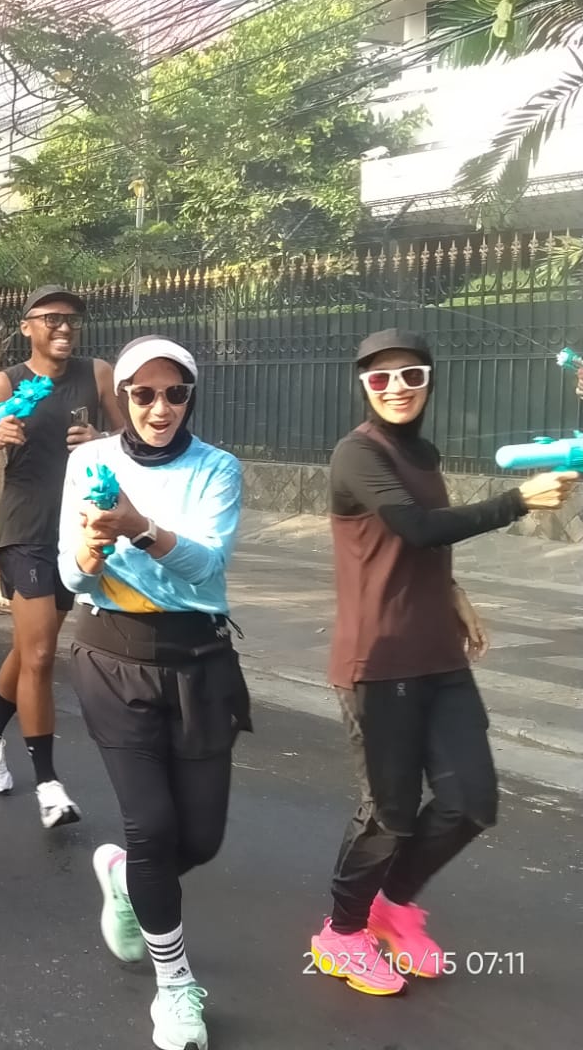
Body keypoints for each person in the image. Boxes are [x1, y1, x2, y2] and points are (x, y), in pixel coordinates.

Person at [307, 330, 577, 998]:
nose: (397, 388)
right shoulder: (357, 453)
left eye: (411, 375)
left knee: (470, 802)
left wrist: (452, 592)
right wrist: (518, 500)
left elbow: (409, 545)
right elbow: (418, 528)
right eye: (380, 378)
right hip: (378, 662)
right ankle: (341, 932)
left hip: (437, 655)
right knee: (389, 813)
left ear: (429, 380)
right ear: (363, 387)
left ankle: (392, 906)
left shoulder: (422, 453)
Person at [59, 335, 248, 1050]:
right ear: (125, 397)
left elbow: (206, 565)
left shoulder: (218, 469)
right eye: (144, 394)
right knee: (151, 827)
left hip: (199, 662)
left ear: (190, 397)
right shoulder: (90, 462)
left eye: (175, 394)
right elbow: (70, 574)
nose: (160, 408)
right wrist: (87, 552)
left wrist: (139, 528)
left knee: (200, 837)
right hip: (112, 657)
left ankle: (123, 879)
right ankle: (175, 987)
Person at [0, 283, 124, 829]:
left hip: (74, 531)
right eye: (51, 318)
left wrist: (102, 438)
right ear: (27, 327)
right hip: (24, 528)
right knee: (43, 653)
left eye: (72, 318)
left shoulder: (97, 375)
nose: (64, 327)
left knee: (31, 650)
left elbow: (133, 438)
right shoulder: (6, 383)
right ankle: (48, 784)